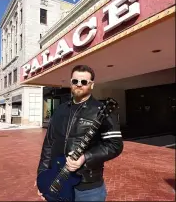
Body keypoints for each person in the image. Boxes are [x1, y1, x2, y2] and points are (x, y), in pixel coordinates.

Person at [35, 65, 123, 201]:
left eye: (84, 82)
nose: (79, 85)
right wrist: (42, 176)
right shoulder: (60, 110)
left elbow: (115, 145)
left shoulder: (101, 111)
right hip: (58, 180)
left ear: (92, 85)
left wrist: (85, 157)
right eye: (75, 81)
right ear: (71, 82)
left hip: (88, 187)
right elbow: (49, 144)